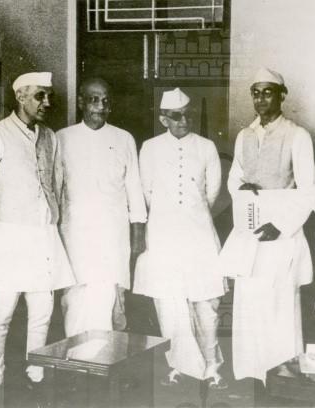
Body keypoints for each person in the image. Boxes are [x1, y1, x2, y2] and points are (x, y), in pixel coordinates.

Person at [0, 72, 74, 385]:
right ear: (20, 96)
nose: (47, 102)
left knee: (42, 310)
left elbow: (56, 186)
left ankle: (36, 371)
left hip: (43, 236)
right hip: (7, 238)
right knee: (1, 312)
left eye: (49, 96)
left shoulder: (50, 137)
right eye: (40, 95)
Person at [227, 67, 315, 384]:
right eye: (256, 93)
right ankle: (252, 372)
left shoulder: (298, 135)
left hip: (281, 236)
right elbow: (234, 178)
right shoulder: (245, 135)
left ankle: (282, 374)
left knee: (279, 304)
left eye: (268, 92)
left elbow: (309, 190)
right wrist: (242, 189)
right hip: (250, 232)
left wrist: (280, 224)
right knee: (250, 301)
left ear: (282, 95)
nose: (261, 99)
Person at [134, 88, 227, 388]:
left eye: (188, 115)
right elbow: (147, 192)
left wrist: (191, 216)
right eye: (176, 116)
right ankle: (177, 366)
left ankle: (212, 367)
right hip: (164, 237)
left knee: (206, 303)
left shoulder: (206, 147)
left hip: (200, 235)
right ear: (164, 119)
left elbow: (211, 192)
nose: (184, 121)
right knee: (169, 304)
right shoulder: (149, 148)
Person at [57, 78, 147, 336]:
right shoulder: (62, 138)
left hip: (112, 235)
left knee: (111, 297)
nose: (100, 106)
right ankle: (78, 354)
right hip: (75, 234)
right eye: (94, 100)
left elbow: (134, 189)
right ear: (81, 102)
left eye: (106, 101)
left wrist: (138, 235)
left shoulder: (124, 138)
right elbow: (55, 189)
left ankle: (106, 356)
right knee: (77, 296)